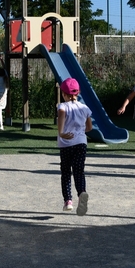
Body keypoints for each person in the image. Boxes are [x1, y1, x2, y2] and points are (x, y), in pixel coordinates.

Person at [57, 78, 93, 215]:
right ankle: (82, 192)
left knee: (66, 172)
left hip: (66, 145)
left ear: (64, 93)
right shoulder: (84, 108)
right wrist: (79, 133)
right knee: (79, 171)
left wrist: (61, 132)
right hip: (81, 144)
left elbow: (61, 116)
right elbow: (89, 127)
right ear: (78, 93)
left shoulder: (63, 106)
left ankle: (68, 201)